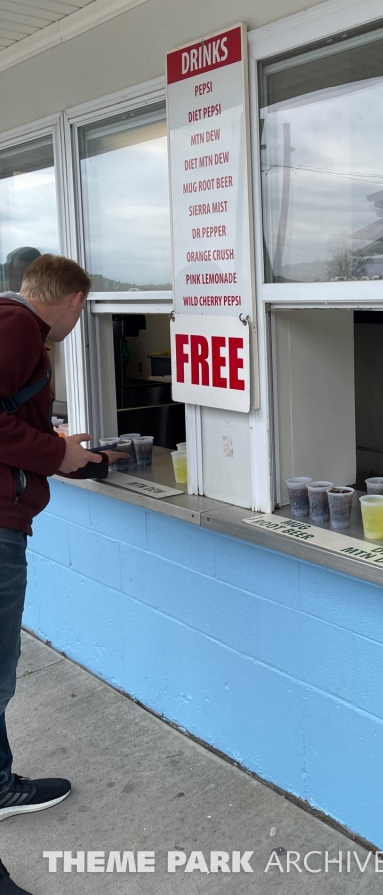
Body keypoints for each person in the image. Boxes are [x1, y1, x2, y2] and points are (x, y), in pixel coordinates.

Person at [0, 255, 125, 895]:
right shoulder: (20, 328)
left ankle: (0, 784)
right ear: (76, 302)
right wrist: (56, 453)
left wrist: (59, 447)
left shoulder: (12, 325)